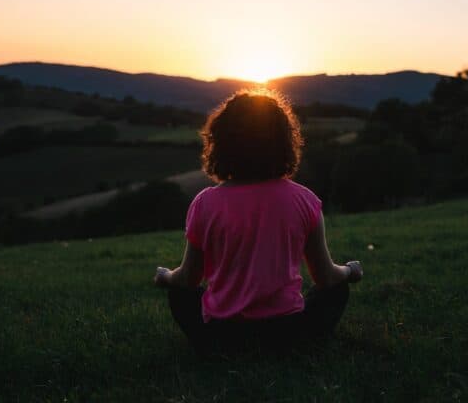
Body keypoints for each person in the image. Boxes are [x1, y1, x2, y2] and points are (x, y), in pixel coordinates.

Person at [154, 89, 362, 354]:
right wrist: (350, 271)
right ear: (284, 142)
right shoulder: (305, 200)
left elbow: (188, 280)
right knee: (336, 290)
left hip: (219, 337)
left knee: (179, 294)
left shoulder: (204, 203)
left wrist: (166, 277)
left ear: (221, 143)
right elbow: (326, 277)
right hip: (289, 335)